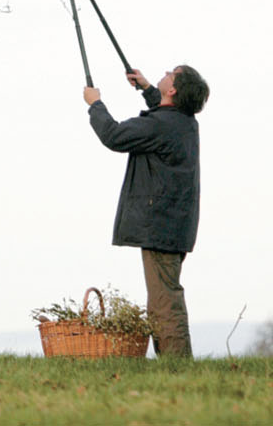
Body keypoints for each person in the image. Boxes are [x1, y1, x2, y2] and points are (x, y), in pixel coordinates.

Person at [83, 64, 209, 357]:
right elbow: (165, 114)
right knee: (163, 297)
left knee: (165, 299)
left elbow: (113, 135)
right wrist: (148, 89)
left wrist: (95, 104)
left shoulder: (163, 125)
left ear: (174, 90)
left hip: (161, 227)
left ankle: (177, 365)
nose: (166, 71)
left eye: (172, 74)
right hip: (175, 224)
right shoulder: (185, 122)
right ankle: (174, 364)